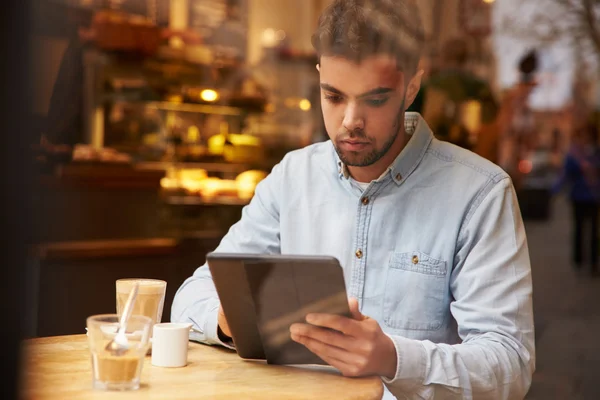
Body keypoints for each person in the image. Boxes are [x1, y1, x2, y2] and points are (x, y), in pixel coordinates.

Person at [172, 1, 535, 399]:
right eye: (334, 96)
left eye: (375, 100)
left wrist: (394, 359)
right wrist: (230, 320)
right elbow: (190, 299)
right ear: (319, 78)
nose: (350, 122)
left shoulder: (480, 194)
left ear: (411, 86)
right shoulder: (293, 177)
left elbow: (511, 365)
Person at [553, 124, 600, 275]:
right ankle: (578, 260)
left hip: (593, 197)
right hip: (578, 197)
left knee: (594, 231)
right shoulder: (574, 154)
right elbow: (566, 174)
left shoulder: (596, 152)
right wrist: (554, 191)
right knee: (579, 228)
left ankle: (593, 262)